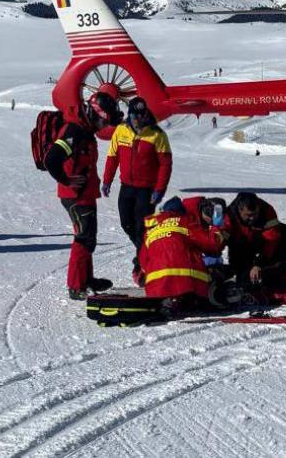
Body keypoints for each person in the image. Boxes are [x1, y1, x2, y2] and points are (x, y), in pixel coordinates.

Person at [44, 91, 121, 300]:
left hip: (85, 193)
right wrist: (66, 180)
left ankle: (87, 279)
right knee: (83, 238)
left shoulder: (84, 130)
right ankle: (76, 286)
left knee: (89, 237)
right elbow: (51, 159)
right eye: (102, 123)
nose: (102, 128)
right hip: (74, 195)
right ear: (94, 114)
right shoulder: (73, 131)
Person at [102, 97, 172, 267]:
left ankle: (143, 263)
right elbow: (112, 157)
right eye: (134, 114)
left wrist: (159, 189)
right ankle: (148, 251)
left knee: (142, 227)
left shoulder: (157, 134)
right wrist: (107, 181)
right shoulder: (120, 131)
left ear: (145, 114)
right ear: (129, 114)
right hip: (127, 187)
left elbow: (165, 164)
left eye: (140, 115)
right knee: (126, 223)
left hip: (146, 189)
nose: (136, 118)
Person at [136, 196, 229, 309]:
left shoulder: (151, 230)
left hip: (156, 288)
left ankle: (167, 300)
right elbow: (213, 244)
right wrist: (217, 227)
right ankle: (187, 297)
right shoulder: (186, 221)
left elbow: (143, 261)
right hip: (186, 285)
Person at [223, 192, 286, 289]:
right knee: (241, 274)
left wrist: (259, 264)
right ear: (240, 210)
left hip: (261, 241)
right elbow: (222, 238)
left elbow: (272, 239)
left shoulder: (267, 210)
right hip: (240, 244)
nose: (252, 218)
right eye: (248, 215)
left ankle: (274, 266)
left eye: (255, 214)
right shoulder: (228, 216)